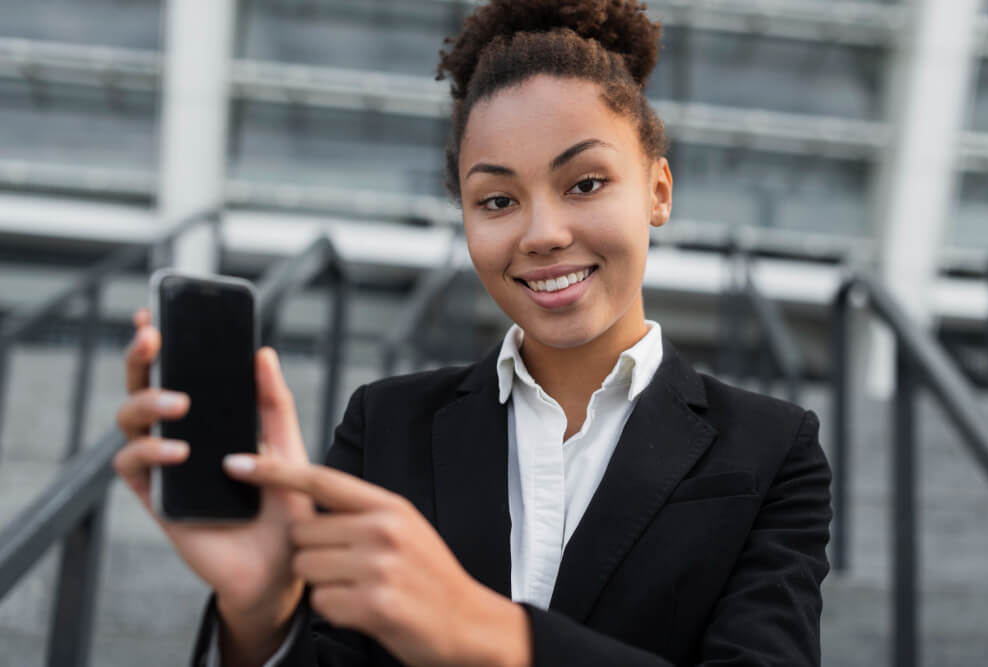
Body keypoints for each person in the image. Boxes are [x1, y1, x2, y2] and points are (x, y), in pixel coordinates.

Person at [114, 1, 832, 665]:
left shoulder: (772, 451)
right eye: (496, 199)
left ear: (658, 190)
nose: (543, 234)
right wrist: (261, 611)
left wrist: (484, 628)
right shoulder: (385, 424)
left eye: (585, 183)